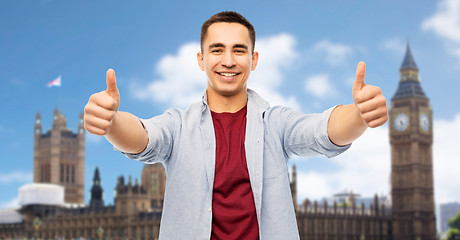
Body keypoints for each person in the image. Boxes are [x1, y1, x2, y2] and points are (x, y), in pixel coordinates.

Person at [84, 11, 388, 240]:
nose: (228, 60)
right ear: (201, 60)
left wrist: (359, 115)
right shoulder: (178, 125)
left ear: (253, 60)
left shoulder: (276, 123)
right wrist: (111, 122)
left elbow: (322, 130)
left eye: (239, 50)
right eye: (217, 50)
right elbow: (144, 139)